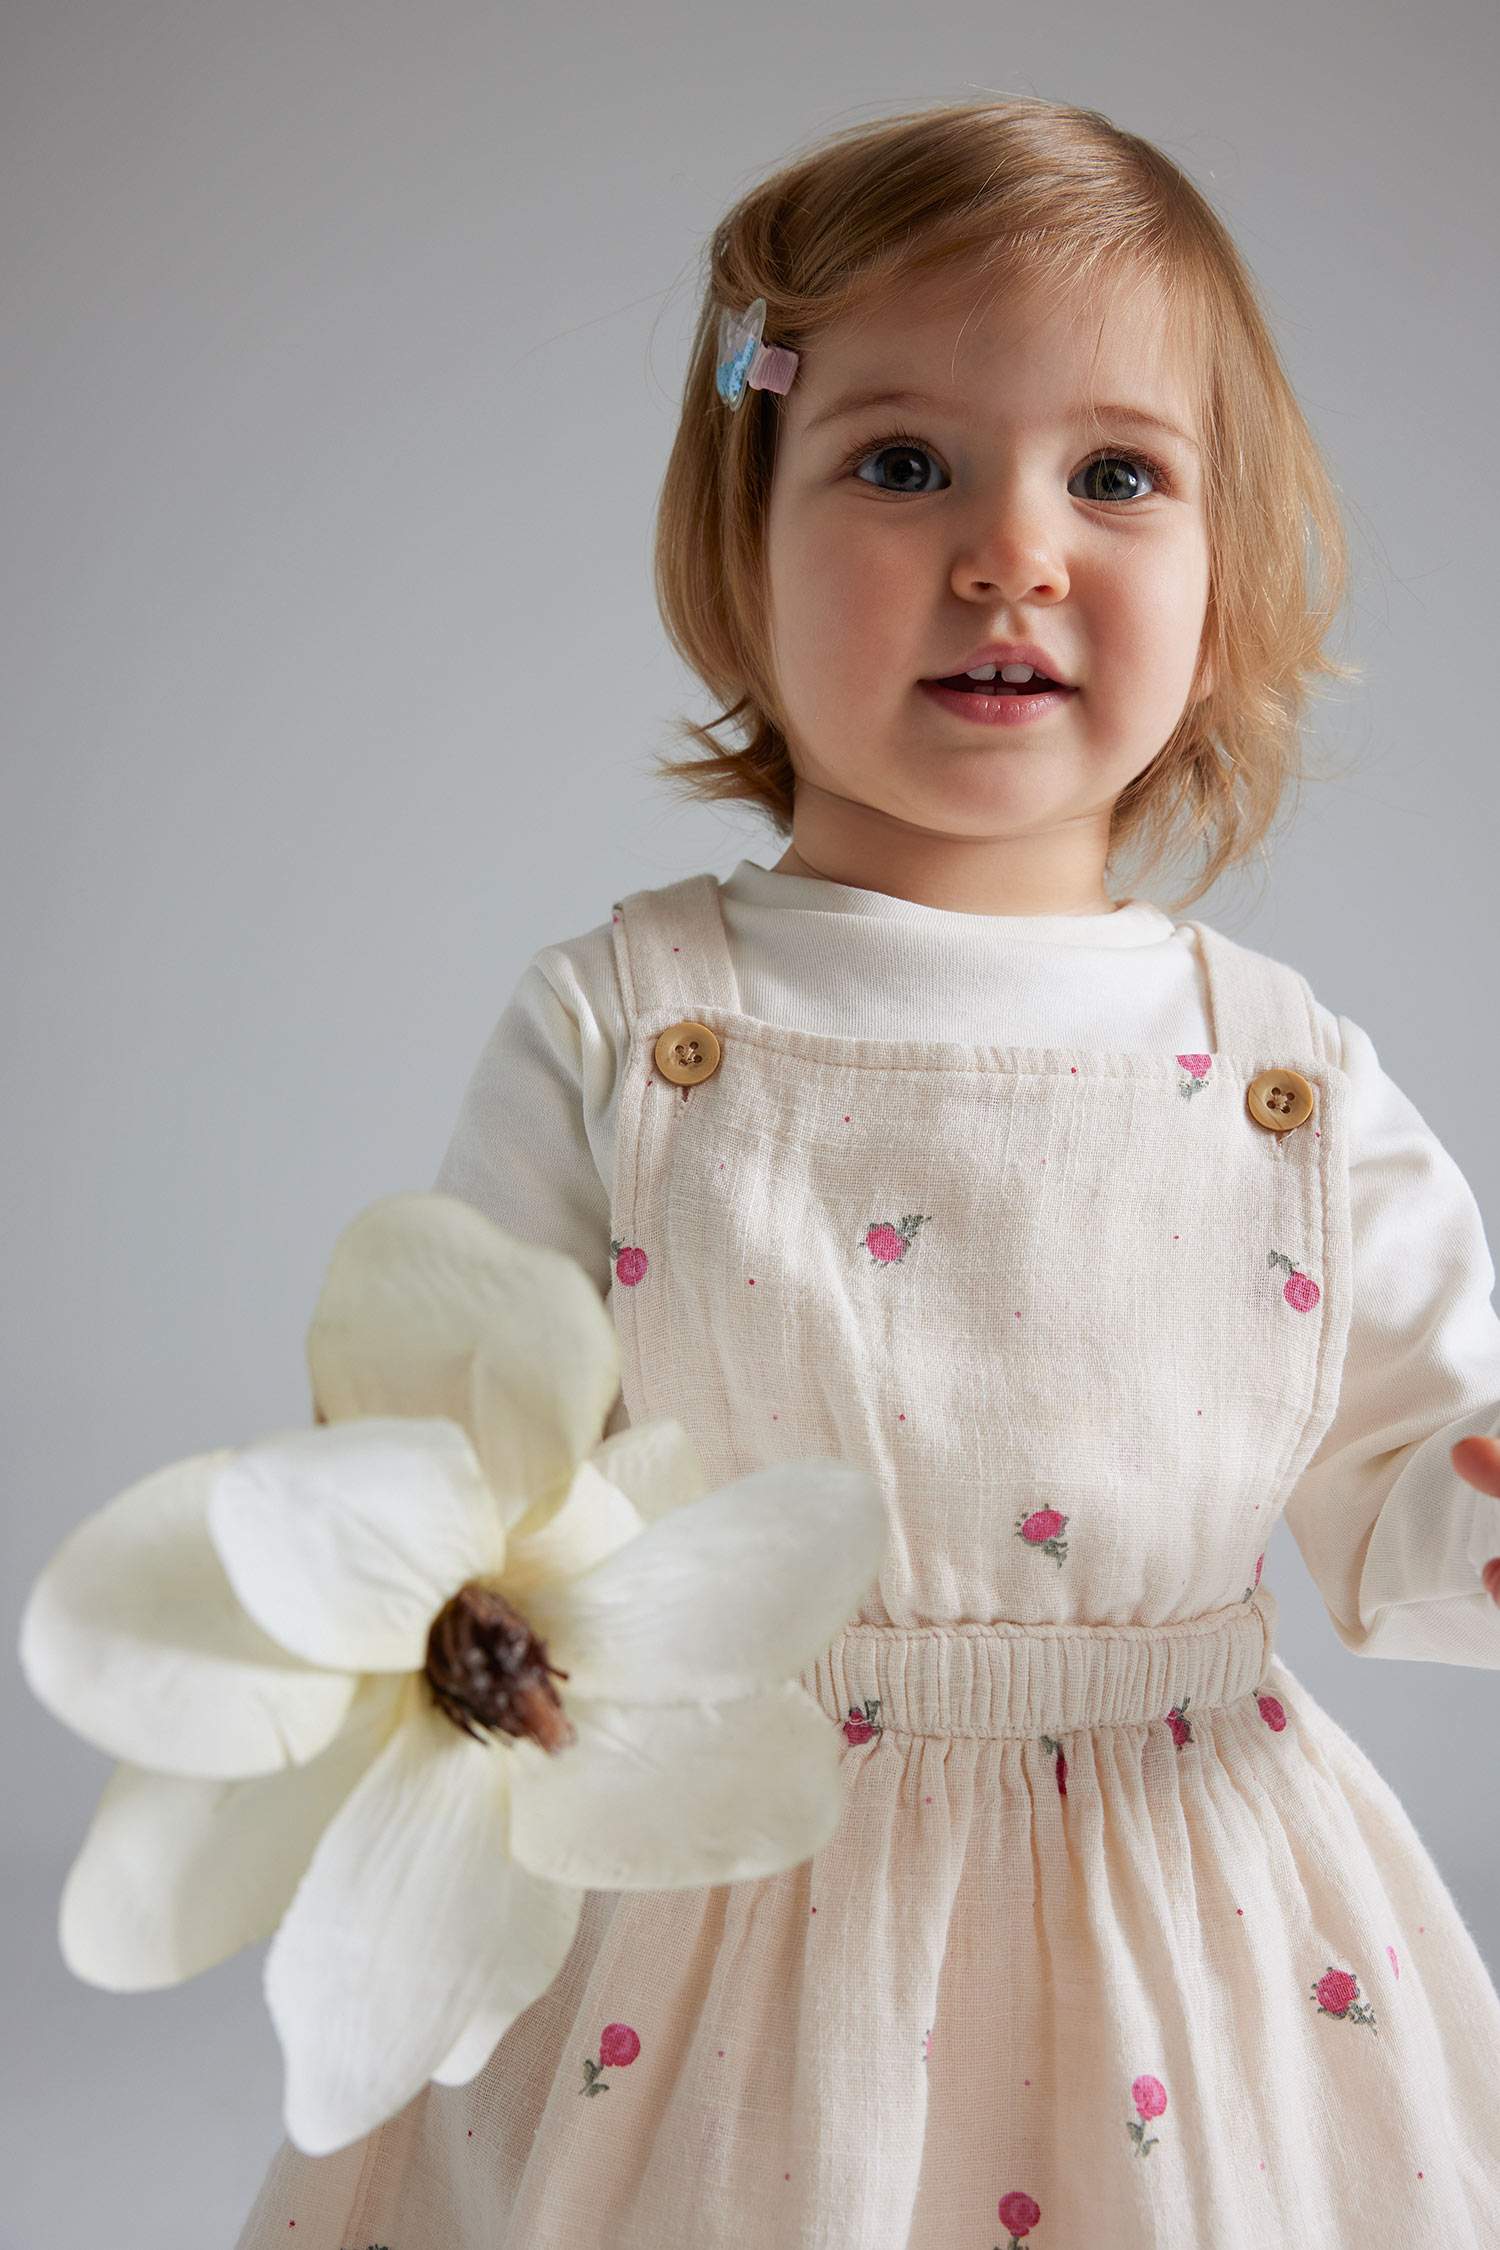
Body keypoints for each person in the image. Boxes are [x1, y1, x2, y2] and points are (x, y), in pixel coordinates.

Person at [233, 96, 1500, 2249]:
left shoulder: (1277, 1079)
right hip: (715, 1900)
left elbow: (1412, 1499)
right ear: (741, 545)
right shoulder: (632, 1031)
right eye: (903, 466)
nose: (1014, 552)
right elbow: (449, 1473)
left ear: (1229, 577)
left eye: (1118, 476)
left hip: (1185, 1919)